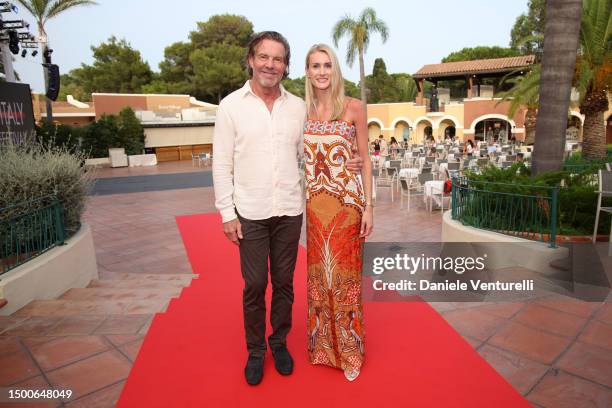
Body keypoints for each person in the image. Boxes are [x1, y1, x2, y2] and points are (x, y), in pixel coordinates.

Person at [213, 31, 363, 386]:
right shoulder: (231, 106)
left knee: (283, 284)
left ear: (285, 66)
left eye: (278, 59)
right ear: (251, 60)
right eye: (264, 57)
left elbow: (312, 152)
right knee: (254, 285)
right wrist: (226, 213)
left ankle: (278, 342)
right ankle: (255, 352)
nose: (270, 64)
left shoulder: (297, 107)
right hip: (249, 211)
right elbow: (221, 164)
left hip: (290, 212)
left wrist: (352, 160)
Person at [303, 43, 373, 381]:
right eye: (315, 65)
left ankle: (349, 352)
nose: (321, 71)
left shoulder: (354, 108)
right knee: (319, 280)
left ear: (335, 69)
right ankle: (322, 347)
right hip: (315, 209)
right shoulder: (302, 111)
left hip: (348, 206)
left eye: (326, 65)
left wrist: (370, 208)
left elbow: (366, 160)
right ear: (307, 71)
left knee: (345, 282)